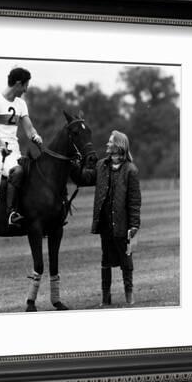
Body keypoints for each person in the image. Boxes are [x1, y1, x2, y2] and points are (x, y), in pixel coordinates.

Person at [75, 130, 141, 306]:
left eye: (110, 142)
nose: (107, 144)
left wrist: (134, 226)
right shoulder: (101, 165)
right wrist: (75, 166)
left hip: (123, 224)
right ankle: (106, 298)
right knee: (105, 260)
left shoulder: (131, 170)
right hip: (105, 223)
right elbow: (84, 179)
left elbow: (134, 202)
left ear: (118, 145)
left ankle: (129, 295)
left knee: (126, 261)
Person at [0, 67, 43, 226]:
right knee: (18, 171)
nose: (26, 89)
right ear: (19, 84)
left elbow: (29, 128)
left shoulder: (21, 104)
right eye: (26, 85)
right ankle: (11, 213)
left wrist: (35, 136)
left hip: (15, 153)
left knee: (34, 171)